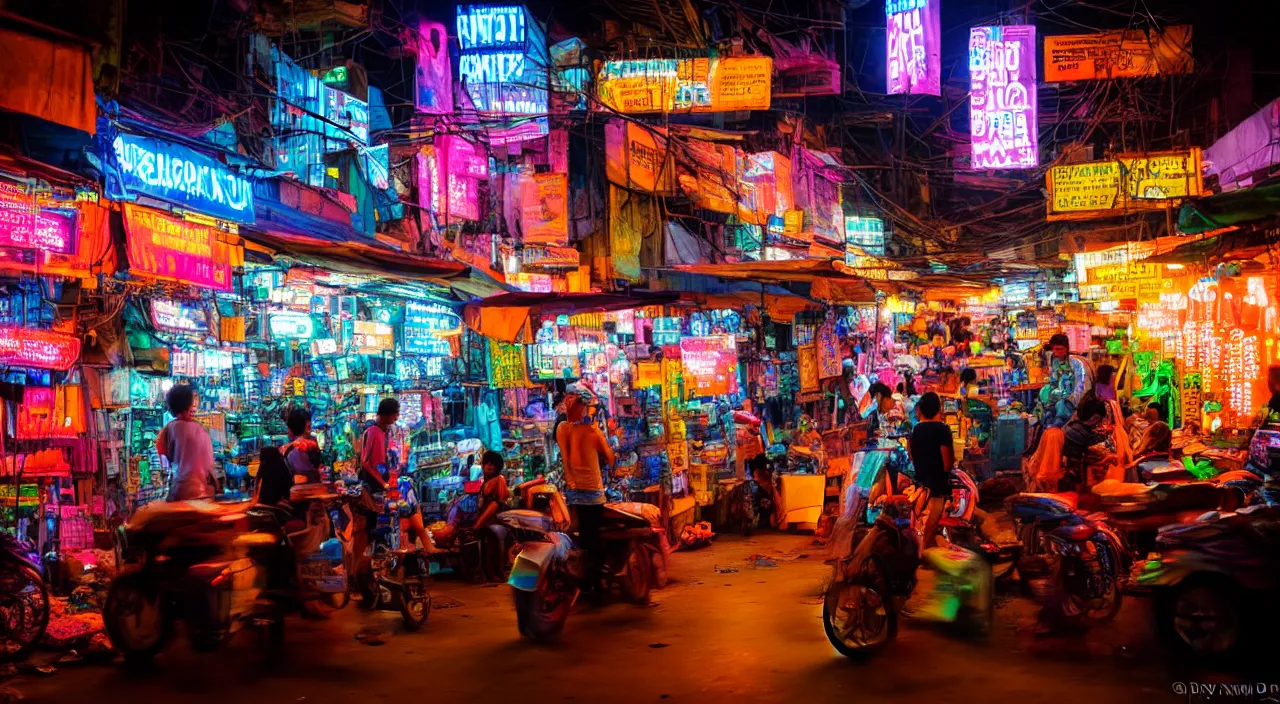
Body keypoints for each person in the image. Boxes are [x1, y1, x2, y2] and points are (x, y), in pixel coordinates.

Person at [556, 386, 615, 598]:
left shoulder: (563, 428)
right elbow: (609, 457)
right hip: (592, 493)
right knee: (594, 538)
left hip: (573, 493)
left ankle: (586, 580)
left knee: (578, 535)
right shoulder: (592, 431)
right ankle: (597, 580)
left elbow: (566, 458)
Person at [909, 392, 955, 549]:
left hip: (920, 490)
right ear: (939, 409)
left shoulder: (915, 431)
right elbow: (947, 464)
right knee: (928, 539)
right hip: (937, 491)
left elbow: (912, 458)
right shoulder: (943, 430)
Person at [158, 384, 216, 501]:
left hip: (179, 490)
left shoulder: (168, 429)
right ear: (190, 404)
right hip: (202, 492)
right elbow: (209, 464)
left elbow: (164, 457)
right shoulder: (202, 430)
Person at [1061, 398, 1113, 490]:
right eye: (1100, 419)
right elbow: (1078, 459)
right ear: (1095, 417)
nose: (1100, 422)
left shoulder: (1078, 427)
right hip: (1074, 481)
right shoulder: (1076, 433)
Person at [283, 407, 324, 485]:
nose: (310, 430)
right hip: (304, 491)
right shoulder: (297, 450)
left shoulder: (296, 447)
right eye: (309, 427)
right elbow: (305, 476)